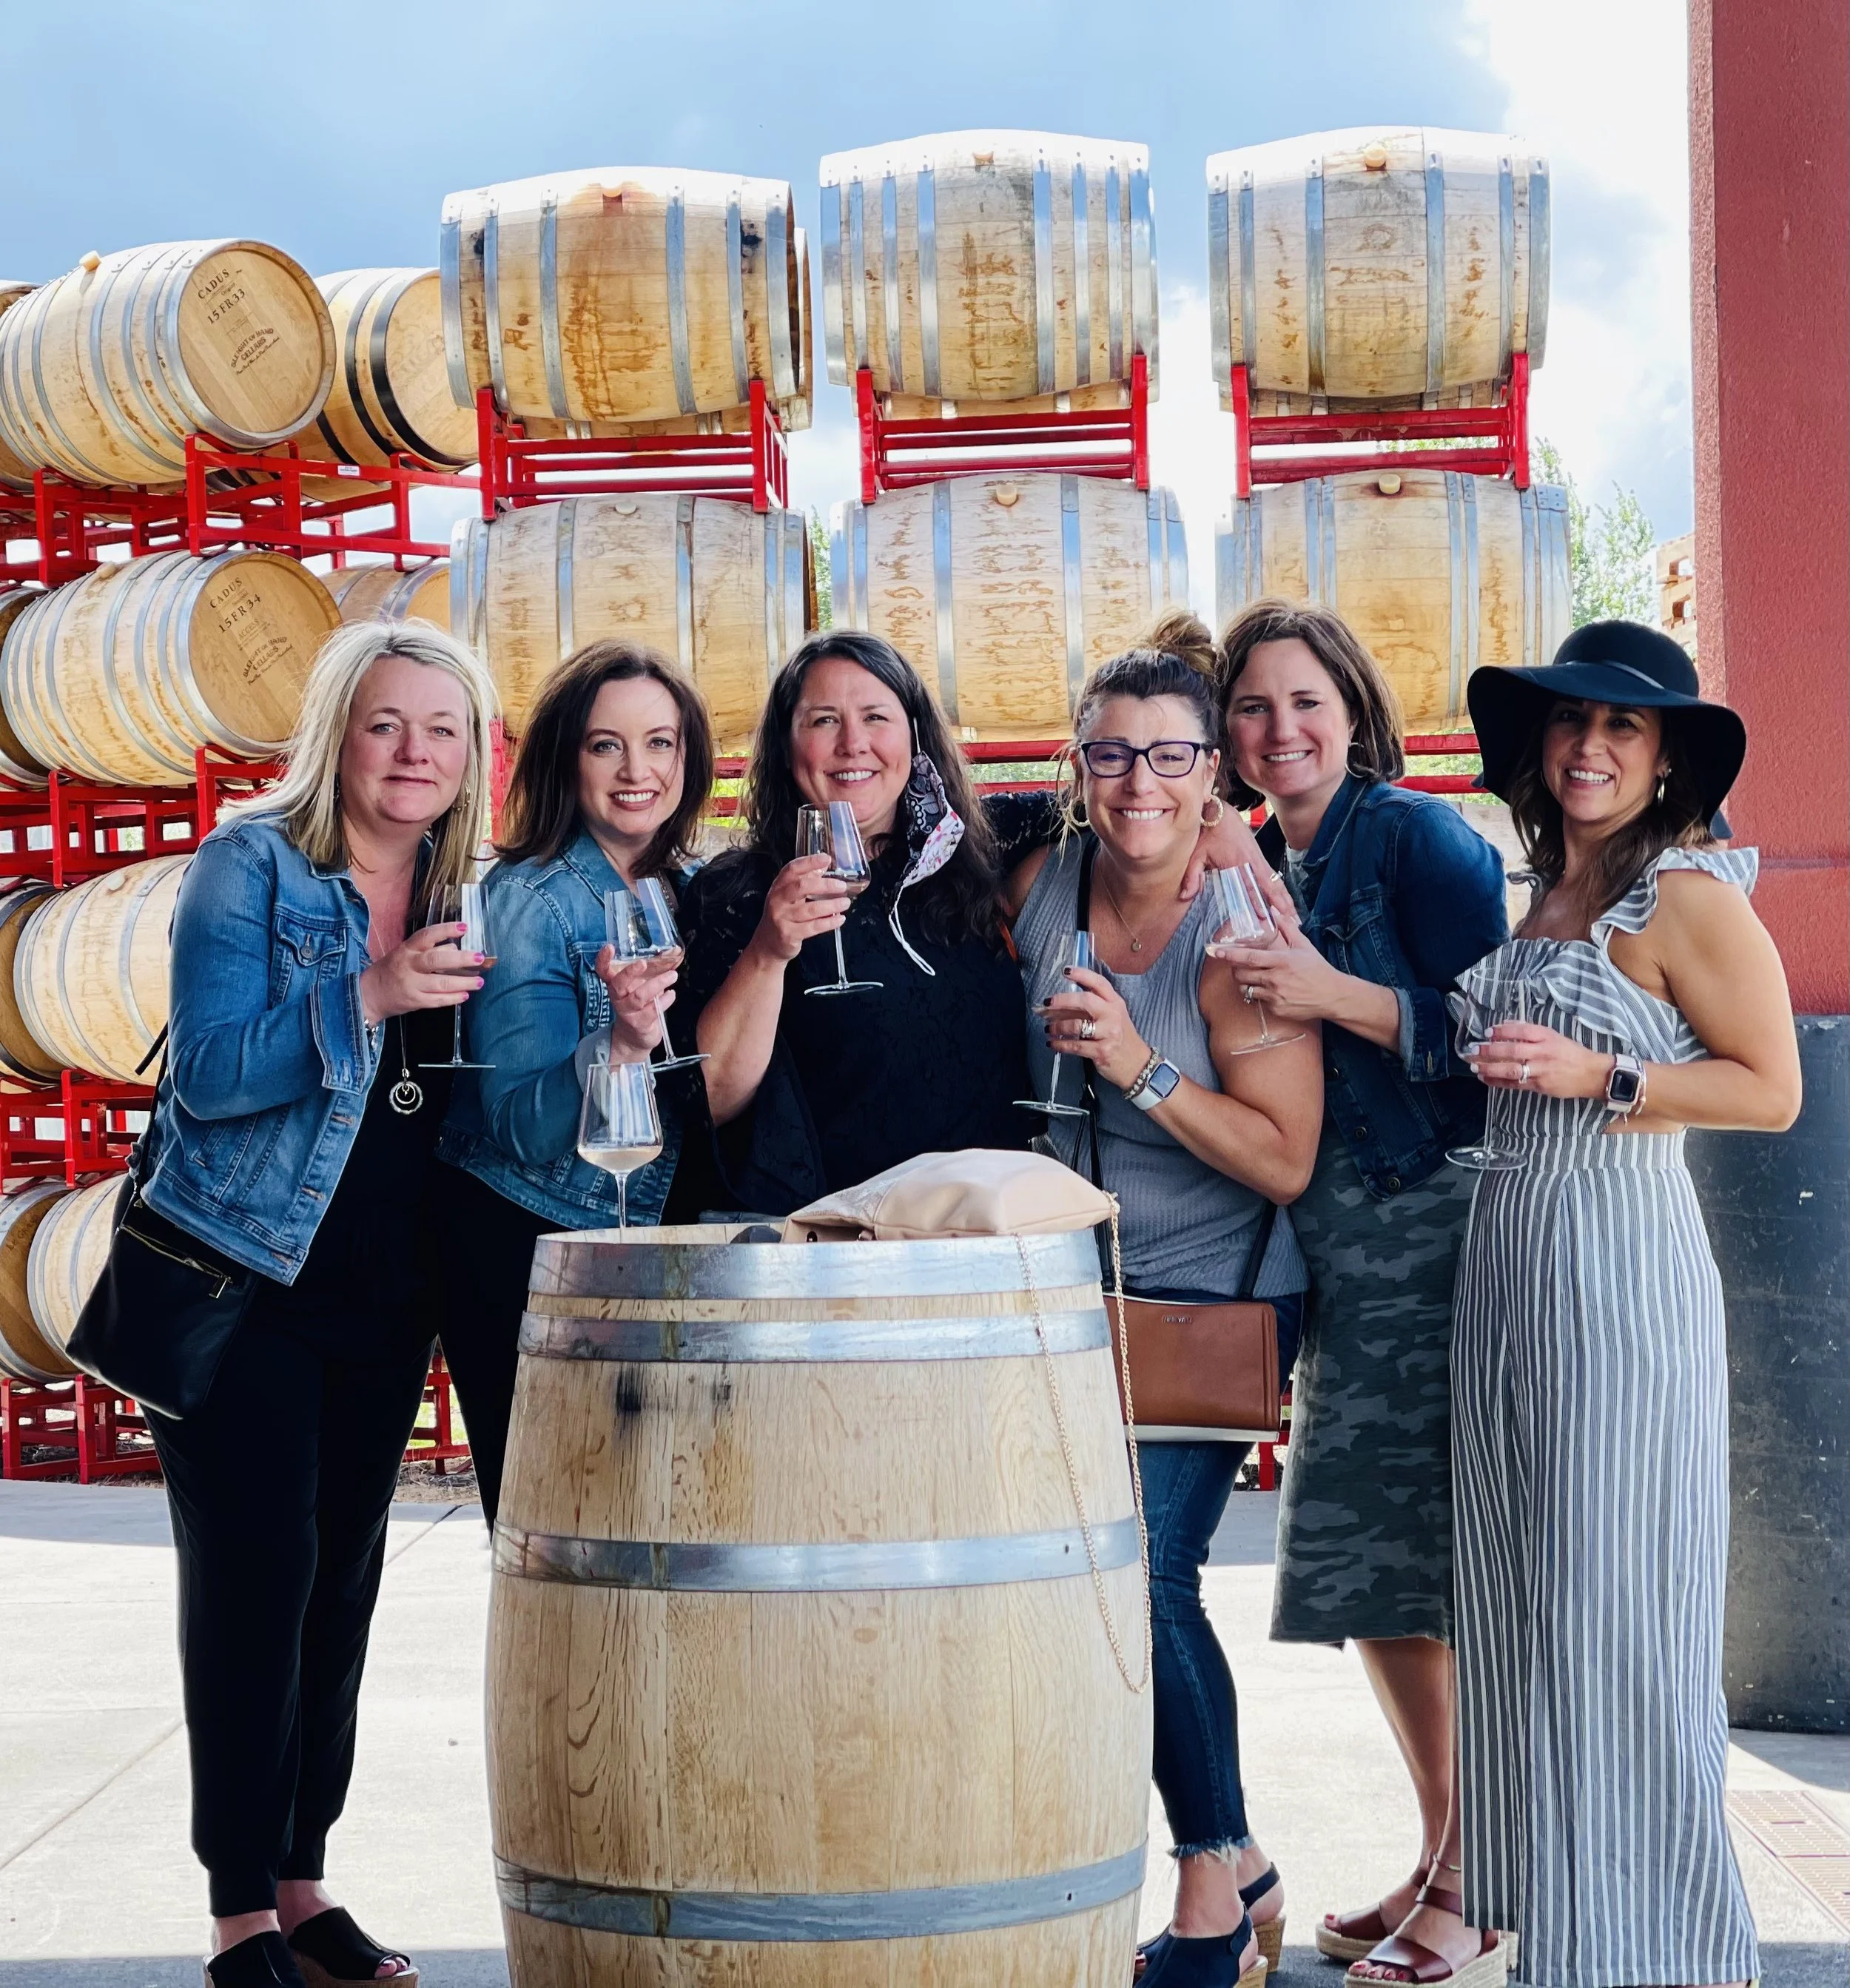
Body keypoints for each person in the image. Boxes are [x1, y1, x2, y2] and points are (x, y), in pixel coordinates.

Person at [135, 620, 500, 1988]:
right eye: (387, 723)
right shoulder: (250, 866)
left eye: (443, 729)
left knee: (341, 1581)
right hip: (245, 1281)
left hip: (384, 1294)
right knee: (254, 1580)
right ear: (338, 733)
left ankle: (303, 1881)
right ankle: (237, 1912)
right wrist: (372, 991)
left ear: (473, 754)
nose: (414, 753)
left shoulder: (472, 884)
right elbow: (213, 1074)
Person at [1439, 621, 1798, 1988]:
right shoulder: (1543, 894)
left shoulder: (1688, 897)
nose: (1590, 748)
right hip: (1511, 1271)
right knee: (1520, 1614)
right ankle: (1562, 1947)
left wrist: (1607, 1079)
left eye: (1624, 729)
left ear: (1665, 761)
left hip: (1619, 1278)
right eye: (1570, 723)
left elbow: (1774, 1090)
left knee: (1620, 1623)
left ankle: (1675, 1959)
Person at [1003, 619, 1322, 1988]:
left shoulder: (1239, 936)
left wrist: (1137, 1067)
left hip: (1206, 1298)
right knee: (1090, 1586)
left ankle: (1208, 1886)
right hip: (1068, 1294)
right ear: (1080, 766)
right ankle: (1244, 1868)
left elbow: (1286, 1157)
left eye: (1172, 756)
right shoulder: (1042, 875)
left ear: (1213, 776)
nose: (1140, 781)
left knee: (1145, 1575)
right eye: (1113, 753)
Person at [1208, 599, 1508, 1980]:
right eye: (1254, 708)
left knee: (1431, 1567)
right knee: (1372, 1569)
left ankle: (1480, 1878)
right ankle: (1453, 1849)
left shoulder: (1419, 837)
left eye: (1304, 702)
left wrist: (1333, 992)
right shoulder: (1265, 851)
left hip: (1431, 1226)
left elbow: (1508, 1036)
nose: (1281, 730)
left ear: (1353, 707)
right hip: (1338, 1242)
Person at [435, 640, 716, 1524]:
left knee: (657, 1530)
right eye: (607, 745)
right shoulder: (535, 896)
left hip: (643, 1236)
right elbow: (519, 1122)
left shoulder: (693, 886)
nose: (639, 769)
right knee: (561, 1537)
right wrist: (621, 1041)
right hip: (532, 1246)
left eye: (661, 742)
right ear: (566, 757)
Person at [679, 629, 1029, 1213]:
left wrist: (1214, 820)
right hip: (832, 1252)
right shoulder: (737, 893)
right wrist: (769, 950)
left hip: (991, 1241)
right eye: (823, 721)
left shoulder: (978, 853)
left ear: (914, 736)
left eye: (875, 717)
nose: (853, 744)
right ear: (787, 745)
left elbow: (1112, 815)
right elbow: (709, 1102)